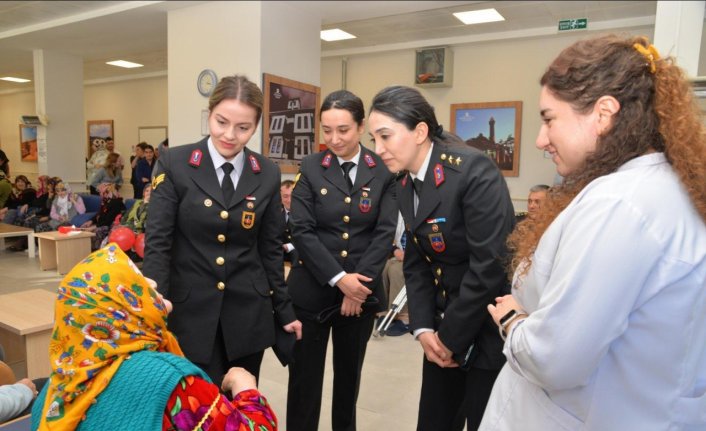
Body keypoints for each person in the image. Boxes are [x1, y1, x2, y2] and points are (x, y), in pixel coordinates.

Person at [481, 35, 706, 430]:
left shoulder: (619, 205)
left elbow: (555, 360)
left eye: (550, 118)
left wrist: (513, 322)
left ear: (603, 114)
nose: (540, 139)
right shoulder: (658, 187)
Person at [368, 85, 516, 431]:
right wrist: (422, 328)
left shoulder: (473, 172)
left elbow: (490, 266)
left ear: (420, 131)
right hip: (441, 332)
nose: (378, 150)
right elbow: (418, 261)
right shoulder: (405, 182)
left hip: (484, 330)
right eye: (373, 138)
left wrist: (449, 338)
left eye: (385, 136)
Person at [143, 75, 302, 386]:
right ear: (209, 114)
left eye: (243, 128)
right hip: (189, 313)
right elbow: (159, 241)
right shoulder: (175, 162)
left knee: (240, 406)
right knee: (193, 408)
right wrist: (156, 304)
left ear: (256, 127)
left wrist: (284, 309)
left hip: (247, 315)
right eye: (221, 122)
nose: (229, 135)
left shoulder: (266, 172)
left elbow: (270, 249)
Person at [31, 244, 278, 431]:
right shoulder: (168, 381)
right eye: (135, 283)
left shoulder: (55, 392)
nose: (150, 285)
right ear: (122, 308)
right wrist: (245, 388)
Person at [286, 89, 397, 431]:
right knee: (304, 383)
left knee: (349, 381)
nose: (334, 139)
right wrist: (339, 279)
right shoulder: (310, 167)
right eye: (327, 129)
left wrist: (356, 287)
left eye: (344, 130)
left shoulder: (382, 169)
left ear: (361, 126)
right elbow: (302, 231)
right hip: (311, 293)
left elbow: (384, 231)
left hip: (360, 297)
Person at [377, 210, 409, 336]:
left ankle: (404, 317)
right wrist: (395, 250)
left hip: (419, 254)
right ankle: (385, 311)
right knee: (384, 267)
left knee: (397, 271)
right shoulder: (397, 209)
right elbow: (387, 234)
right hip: (400, 252)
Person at [280, 179, 296, 264]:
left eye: (292, 196)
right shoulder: (275, 212)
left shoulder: (307, 213)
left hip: (299, 259)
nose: (289, 200)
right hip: (279, 259)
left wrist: (288, 246)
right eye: (285, 196)